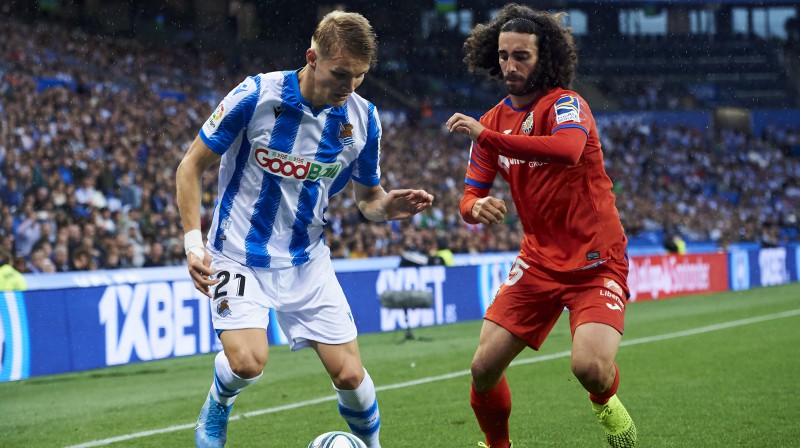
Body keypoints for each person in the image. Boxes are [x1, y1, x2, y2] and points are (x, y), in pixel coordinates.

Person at [176, 11, 434, 448]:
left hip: (306, 259)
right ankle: (217, 404)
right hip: (238, 253)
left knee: (350, 374)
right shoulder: (256, 95)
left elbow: (367, 200)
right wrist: (192, 245)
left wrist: (389, 207)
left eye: (359, 77)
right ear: (312, 57)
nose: (348, 86)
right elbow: (191, 165)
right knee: (247, 362)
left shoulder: (364, 120)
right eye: (340, 74)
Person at [446, 4, 636, 447]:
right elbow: (469, 196)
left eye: (522, 57)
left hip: (596, 260)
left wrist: (485, 136)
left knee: (589, 369)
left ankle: (605, 400)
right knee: (483, 368)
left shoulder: (567, 105)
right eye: (504, 55)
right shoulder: (493, 121)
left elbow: (568, 149)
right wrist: (475, 209)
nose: (510, 66)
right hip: (538, 262)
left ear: (544, 58)